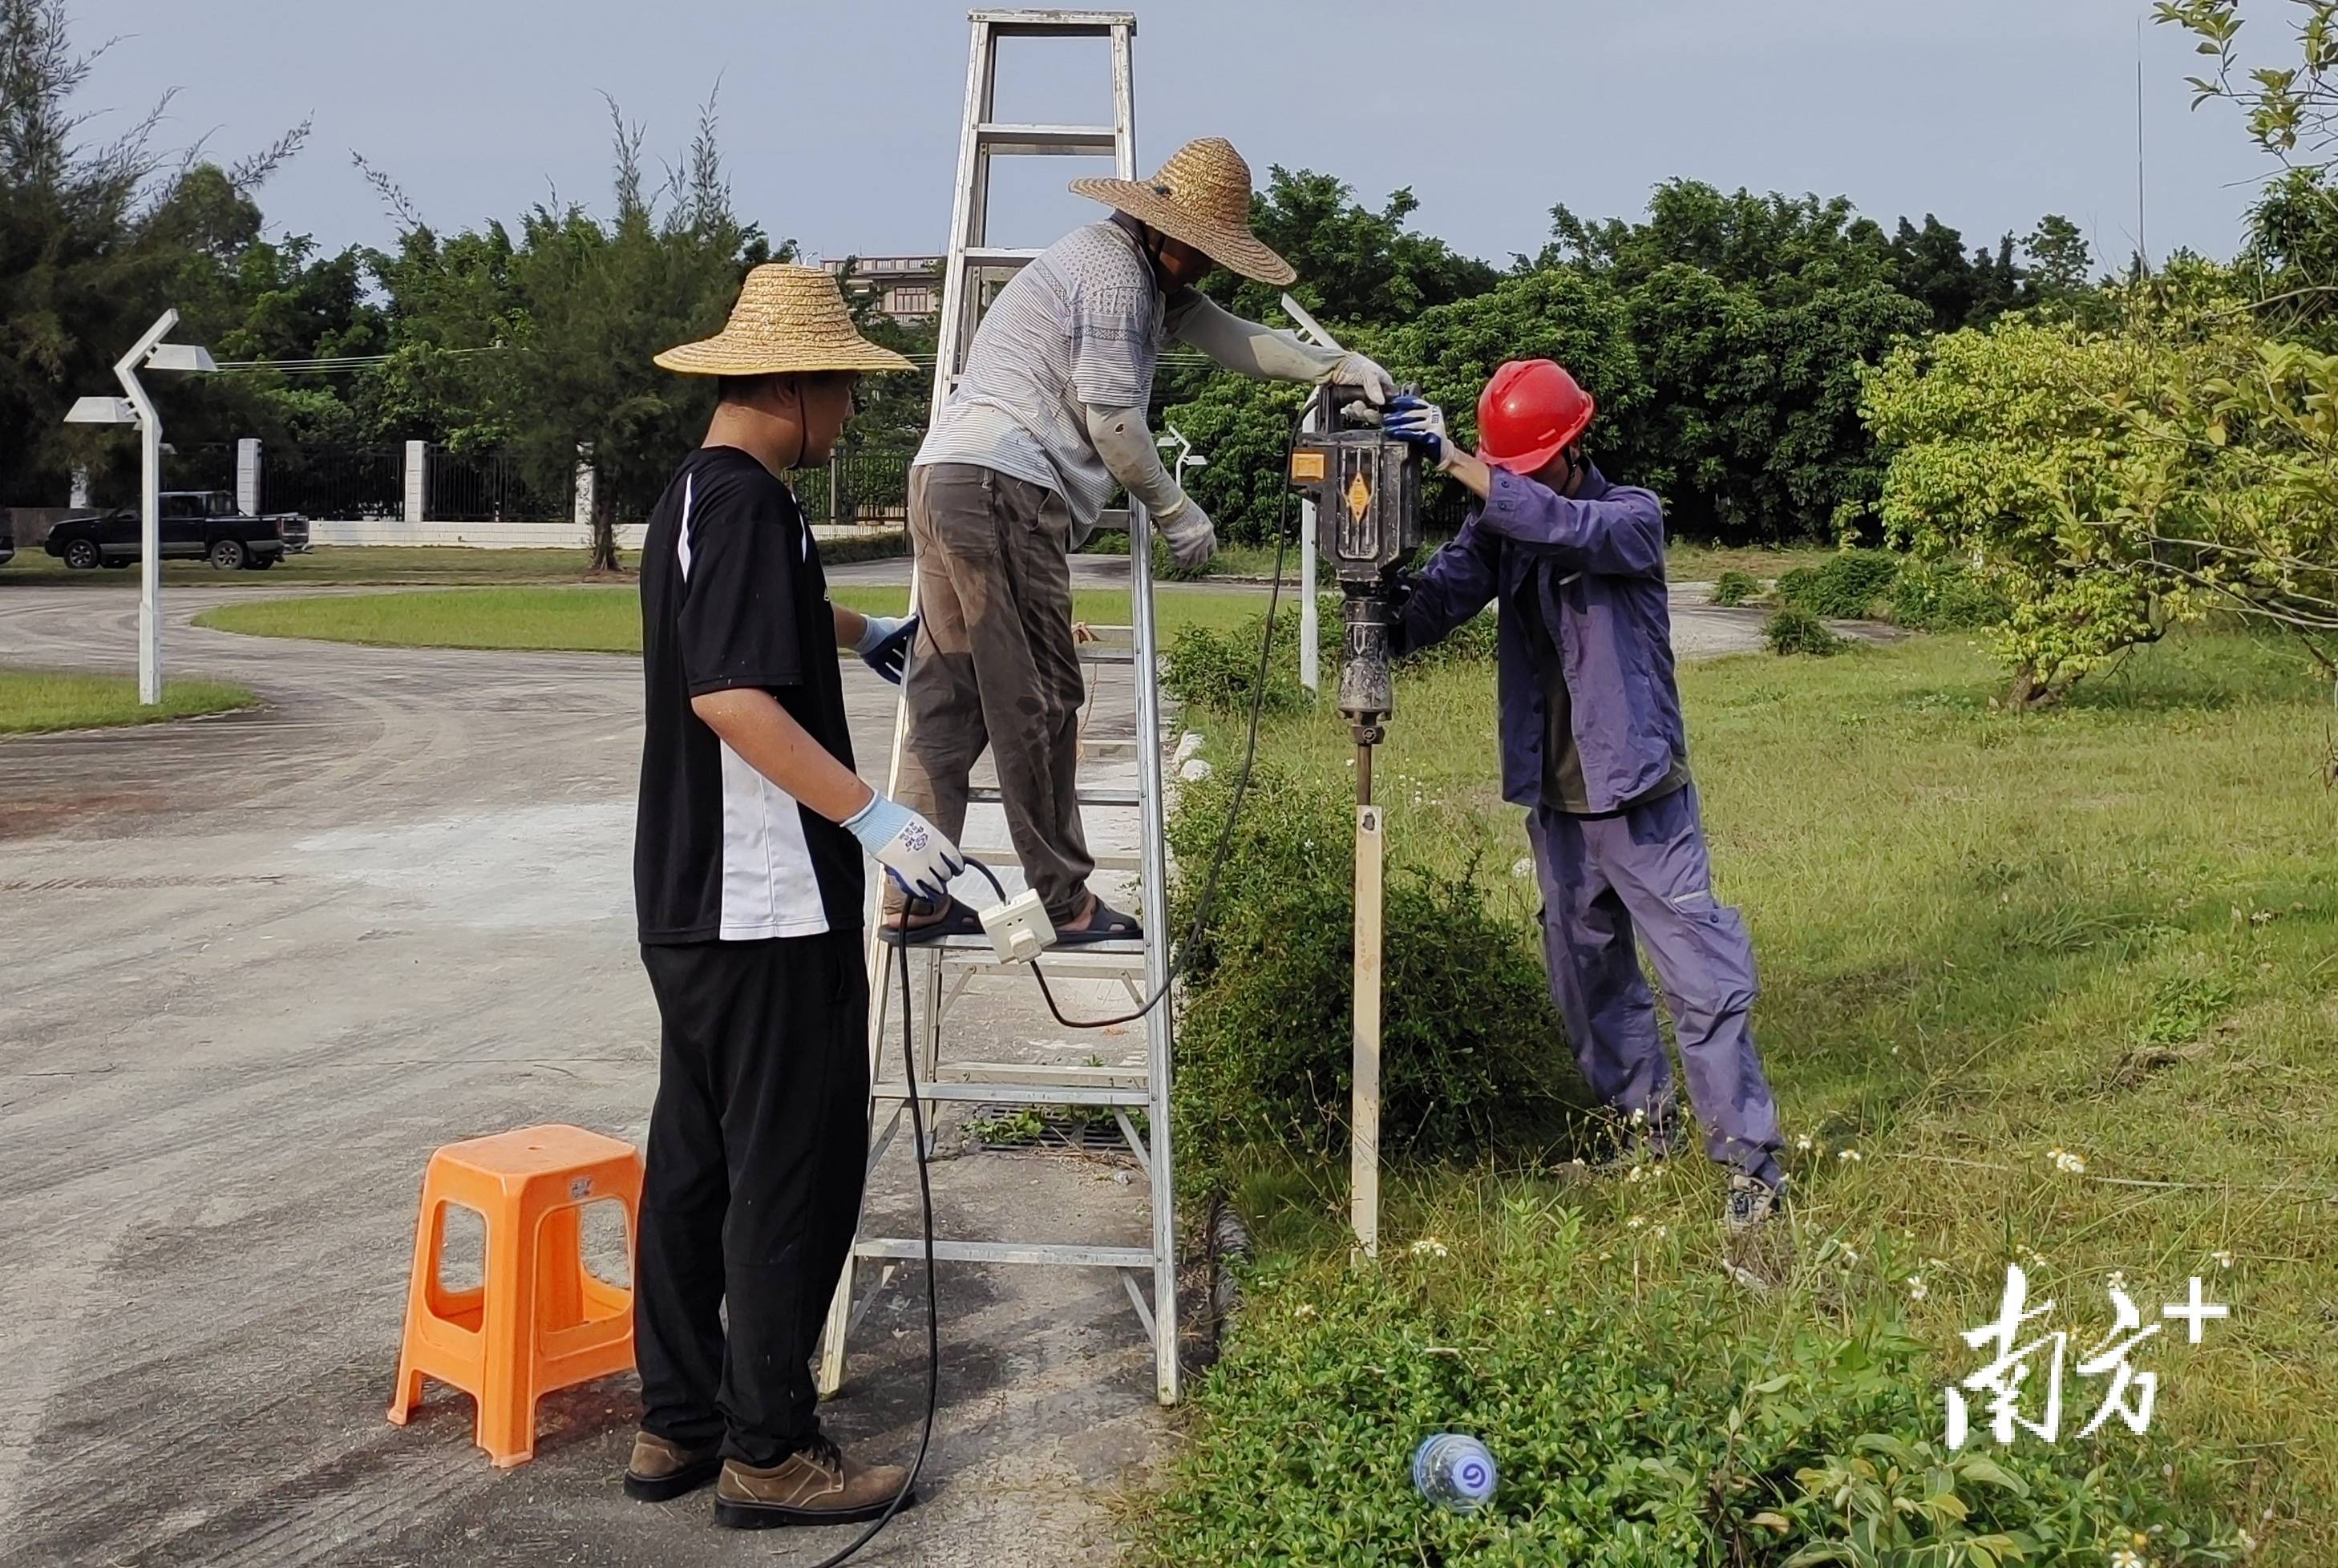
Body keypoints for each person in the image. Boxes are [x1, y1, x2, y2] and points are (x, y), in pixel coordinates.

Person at [627, 264, 967, 1527]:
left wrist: (860, 628)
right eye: (840, 387)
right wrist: (873, 815)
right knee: (794, 1167)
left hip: (687, 902)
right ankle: (770, 1452)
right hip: (765, 905)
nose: (850, 413)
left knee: (698, 1161)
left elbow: (753, 625)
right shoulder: (757, 507)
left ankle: (678, 1423)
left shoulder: (694, 499)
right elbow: (729, 695)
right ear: (786, 383)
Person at [888, 136, 1396, 946]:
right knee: (1041, 699)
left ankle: (913, 894)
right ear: (1168, 232)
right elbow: (1115, 423)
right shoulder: (1119, 279)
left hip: (944, 476)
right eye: (1202, 253)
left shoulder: (1130, 265)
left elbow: (1230, 335)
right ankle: (1065, 902)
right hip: (1002, 489)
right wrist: (1174, 510)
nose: (1204, 270)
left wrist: (1330, 366)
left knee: (948, 699)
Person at [1383, 362, 1789, 1230]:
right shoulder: (1503, 528)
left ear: (1571, 449)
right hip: (1558, 805)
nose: (1517, 485)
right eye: (1509, 472)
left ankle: (1752, 1172)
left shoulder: (1627, 518)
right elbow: (1430, 609)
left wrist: (1459, 461)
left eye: (1526, 468)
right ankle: (1642, 1133)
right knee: (1587, 980)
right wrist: (1366, 556)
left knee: (1702, 983)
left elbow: (1562, 527)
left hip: (1641, 801)